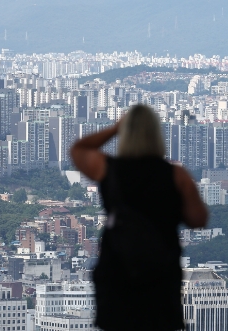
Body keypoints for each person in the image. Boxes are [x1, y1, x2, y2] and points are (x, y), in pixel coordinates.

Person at [71, 104, 208, 331]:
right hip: (160, 279)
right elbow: (198, 219)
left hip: (117, 275)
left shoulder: (108, 169)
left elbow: (78, 149)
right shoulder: (175, 175)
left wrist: (116, 128)